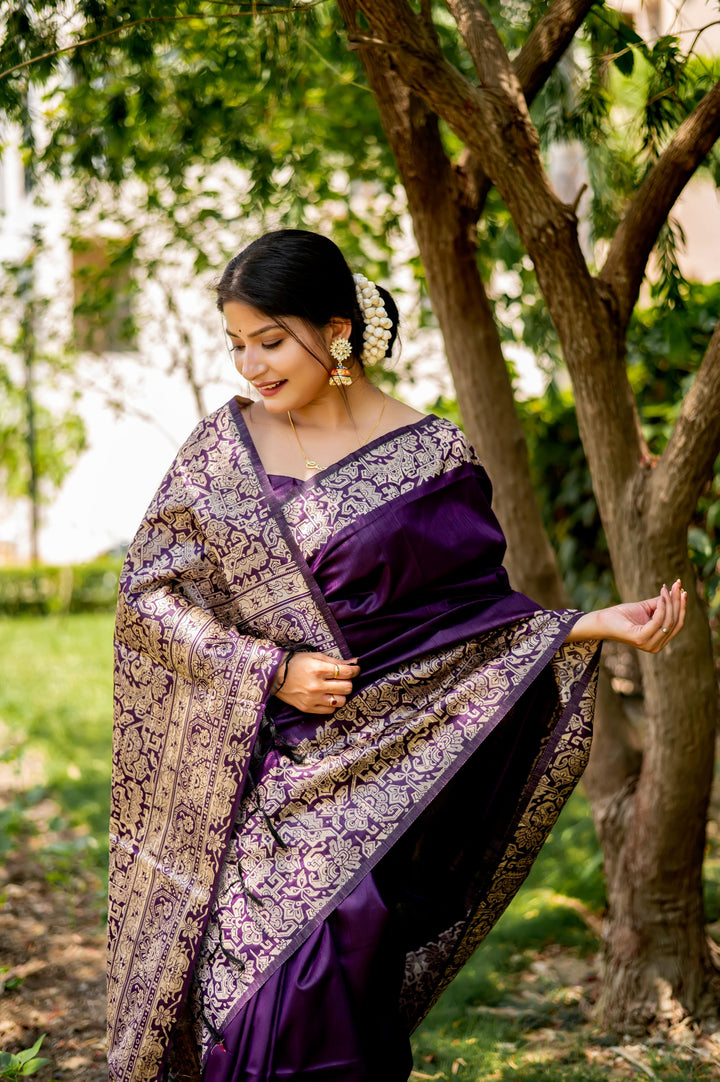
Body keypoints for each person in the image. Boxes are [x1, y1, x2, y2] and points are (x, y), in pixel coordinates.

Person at [107, 229, 686, 1082]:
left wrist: (584, 628)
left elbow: (463, 621)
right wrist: (269, 671)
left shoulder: (432, 456)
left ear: (336, 331)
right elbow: (148, 598)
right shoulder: (218, 453)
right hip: (260, 774)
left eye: (270, 341)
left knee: (336, 986)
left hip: (384, 775)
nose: (250, 368)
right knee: (249, 1001)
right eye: (237, 345)